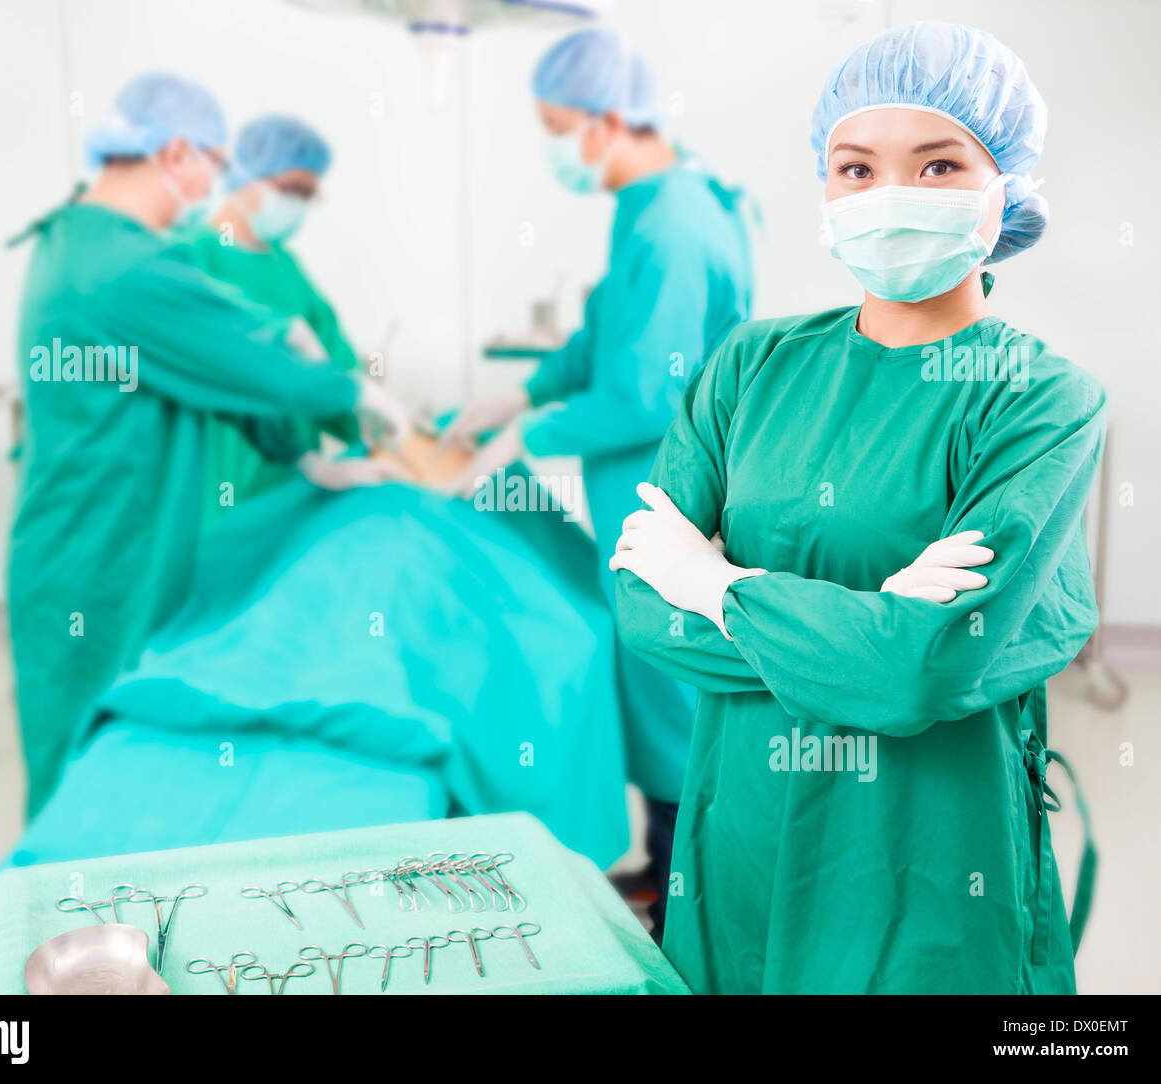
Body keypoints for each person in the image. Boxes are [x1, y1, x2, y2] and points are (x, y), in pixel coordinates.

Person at [612, 22, 1103, 993]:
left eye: (936, 165)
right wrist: (868, 625)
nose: (888, 195)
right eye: (854, 167)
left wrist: (714, 581)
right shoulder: (753, 364)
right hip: (745, 824)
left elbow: (924, 667)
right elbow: (639, 605)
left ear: (1004, 181)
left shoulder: (1040, 399)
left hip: (925, 852)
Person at [7, 73, 411, 817]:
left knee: (109, 748)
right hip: (94, 555)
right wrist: (353, 393)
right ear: (178, 152)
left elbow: (197, 374)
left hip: (95, 535)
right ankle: (62, 919)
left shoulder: (82, 238)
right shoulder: (123, 265)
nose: (212, 186)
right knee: (82, 769)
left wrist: (302, 457)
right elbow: (246, 364)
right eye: (216, 165)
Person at [444, 27, 755, 940]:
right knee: (651, 672)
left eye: (557, 127)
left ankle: (687, 890)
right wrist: (522, 389)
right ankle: (667, 868)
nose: (554, 148)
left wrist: (525, 436)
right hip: (640, 489)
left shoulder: (673, 223)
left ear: (610, 121)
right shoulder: (650, 199)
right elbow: (601, 333)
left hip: (670, 493)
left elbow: (644, 388)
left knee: (670, 689)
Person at [178, 114, 377, 520]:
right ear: (244, 176)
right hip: (220, 486)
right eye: (290, 189)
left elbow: (334, 361)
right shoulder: (192, 256)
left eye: (309, 194)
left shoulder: (287, 267)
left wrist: (373, 420)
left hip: (298, 483)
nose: (298, 204)